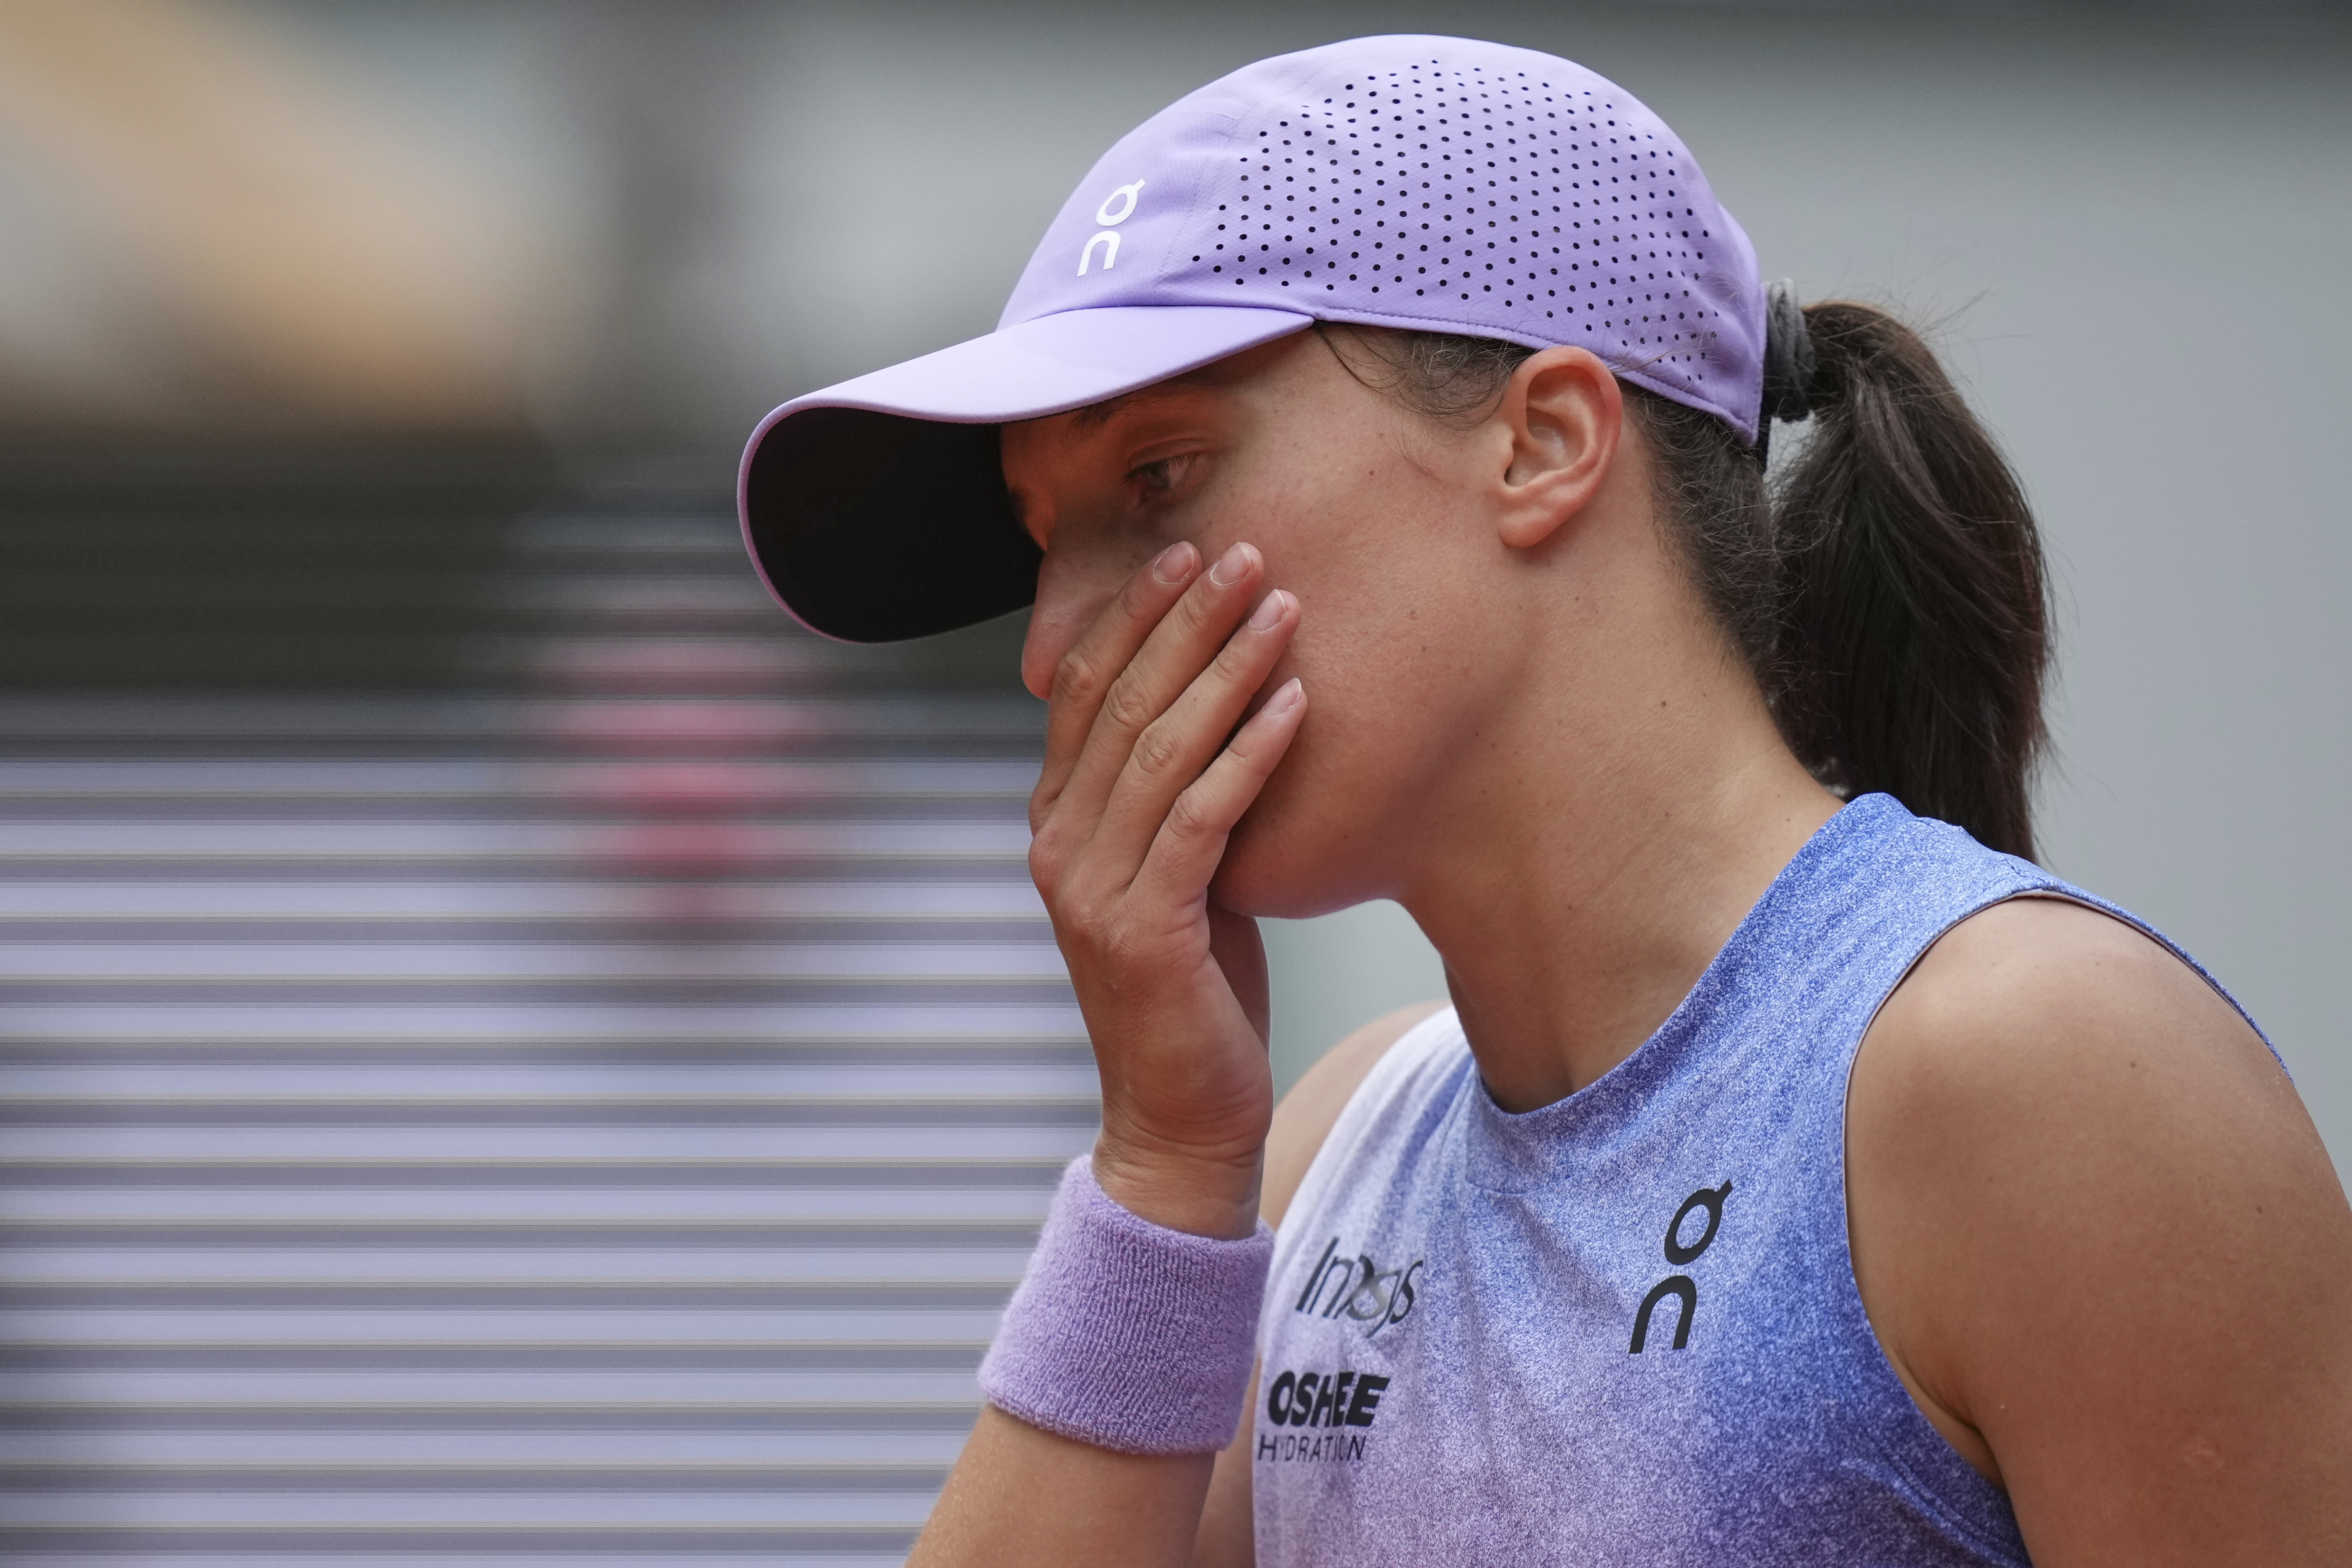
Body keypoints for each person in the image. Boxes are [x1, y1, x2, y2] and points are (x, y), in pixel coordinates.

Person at [737, 35, 2352, 1566]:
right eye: (1044, 539)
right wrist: (1163, 1163)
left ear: (1544, 441)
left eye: (1156, 477)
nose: (1052, 648)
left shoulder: (2037, 1068)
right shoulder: (1325, 1155)